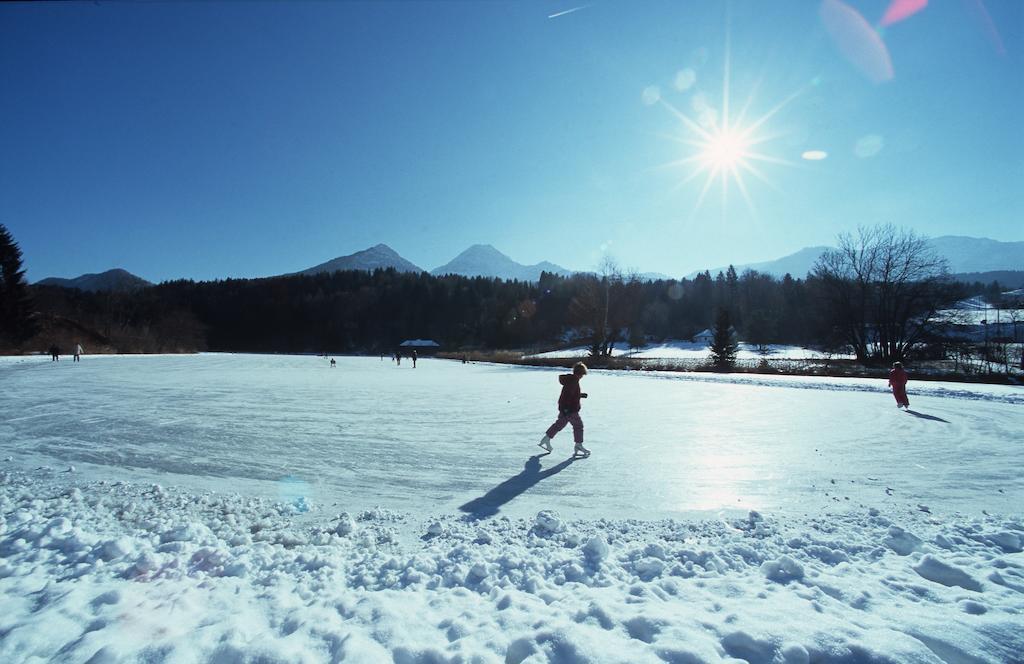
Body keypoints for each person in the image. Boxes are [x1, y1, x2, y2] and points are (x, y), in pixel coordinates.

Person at [539, 362, 590, 457]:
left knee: (559, 424)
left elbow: (570, 394)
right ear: (580, 373)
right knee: (578, 426)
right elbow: (567, 396)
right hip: (570, 409)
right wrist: (566, 409)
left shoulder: (571, 380)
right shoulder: (574, 381)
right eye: (583, 374)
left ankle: (546, 439)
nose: (583, 376)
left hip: (565, 408)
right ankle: (578, 445)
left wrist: (580, 395)